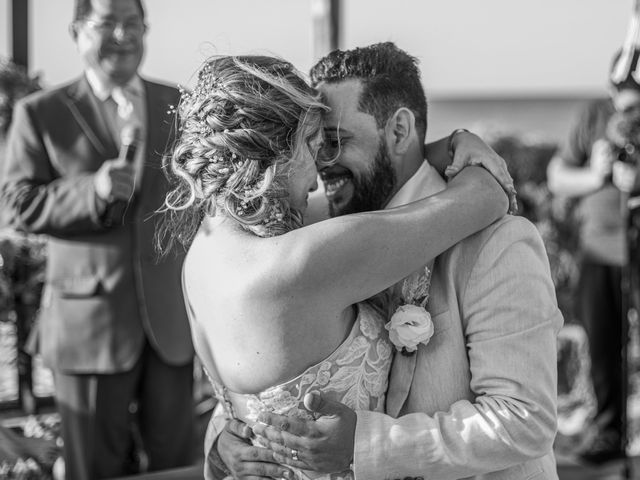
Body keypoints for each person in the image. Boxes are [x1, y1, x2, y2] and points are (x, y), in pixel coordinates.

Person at [214, 42, 563, 480]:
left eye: (338, 141)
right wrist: (225, 441)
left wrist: (366, 446)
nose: (321, 164)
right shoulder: (312, 235)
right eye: (313, 144)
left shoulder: (499, 242)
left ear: (399, 132)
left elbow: (525, 419)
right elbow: (266, 359)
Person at [0, 0, 194, 478]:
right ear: (76, 31)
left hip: (170, 322)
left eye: (133, 24)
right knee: (92, 469)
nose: (123, 36)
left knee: (180, 466)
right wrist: (94, 189)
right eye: (108, 23)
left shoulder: (179, 103)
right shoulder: (39, 112)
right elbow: (17, 203)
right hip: (86, 324)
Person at [546, 46, 640, 464]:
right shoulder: (594, 116)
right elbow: (557, 176)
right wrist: (596, 175)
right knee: (603, 346)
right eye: (625, 87)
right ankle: (608, 433)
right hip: (599, 251)